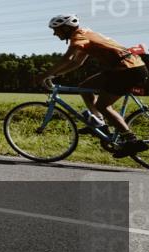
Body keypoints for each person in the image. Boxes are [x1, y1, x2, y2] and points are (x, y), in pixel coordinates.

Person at [36, 14, 149, 158]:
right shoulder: (85, 35)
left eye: (56, 29)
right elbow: (77, 62)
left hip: (128, 70)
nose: (54, 33)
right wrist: (53, 75)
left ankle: (131, 140)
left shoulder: (78, 36)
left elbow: (67, 58)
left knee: (103, 105)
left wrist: (43, 75)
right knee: (85, 86)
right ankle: (100, 124)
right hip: (122, 69)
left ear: (65, 28)